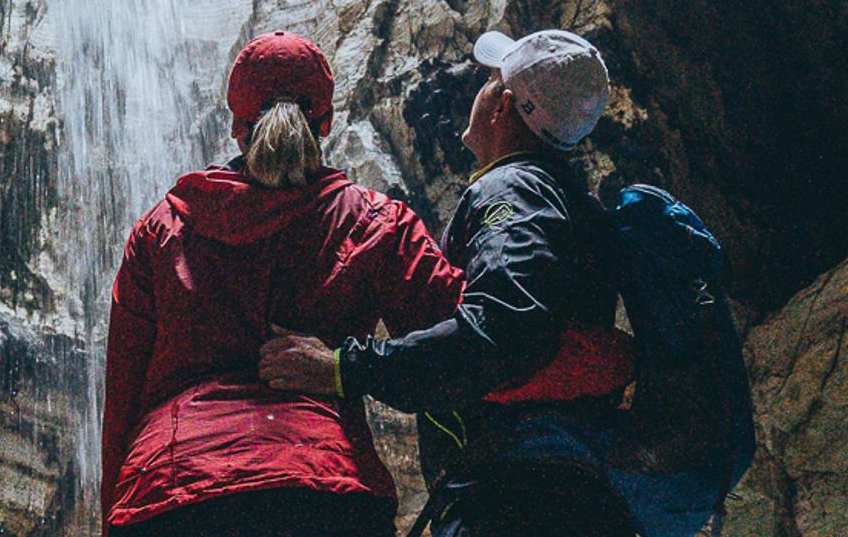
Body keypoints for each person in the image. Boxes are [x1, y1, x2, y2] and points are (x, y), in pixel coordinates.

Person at [103, 31, 629, 537]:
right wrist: (607, 360)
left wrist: (115, 513)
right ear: (326, 121)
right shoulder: (376, 221)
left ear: (237, 123)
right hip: (323, 490)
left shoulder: (160, 229)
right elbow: (480, 348)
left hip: (168, 491)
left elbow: (122, 399)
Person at [258, 28, 635, 537]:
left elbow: (500, 331)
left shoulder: (515, 192)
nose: (476, 91)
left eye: (489, 80)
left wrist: (348, 367)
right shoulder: (569, 200)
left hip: (517, 495)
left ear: (503, 106)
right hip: (571, 482)